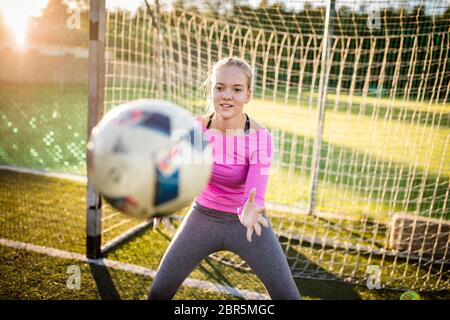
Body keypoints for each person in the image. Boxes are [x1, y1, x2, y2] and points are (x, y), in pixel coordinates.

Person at [149, 57, 301, 300]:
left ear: (248, 95)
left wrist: (252, 209)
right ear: (211, 91)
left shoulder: (261, 138)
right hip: (202, 217)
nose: (226, 95)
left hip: (248, 224)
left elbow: (255, 194)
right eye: (219, 87)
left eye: (237, 89)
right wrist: (164, 200)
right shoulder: (194, 128)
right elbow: (175, 171)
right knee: (158, 293)